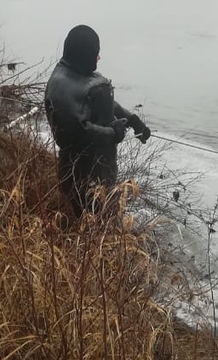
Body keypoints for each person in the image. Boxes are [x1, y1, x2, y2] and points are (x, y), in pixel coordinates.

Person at [44, 25, 151, 225]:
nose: (99, 57)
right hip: (81, 175)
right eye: (95, 53)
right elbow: (76, 132)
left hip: (101, 172)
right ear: (84, 54)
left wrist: (132, 120)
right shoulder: (63, 87)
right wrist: (114, 133)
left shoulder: (79, 72)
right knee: (86, 223)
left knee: (103, 217)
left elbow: (107, 105)